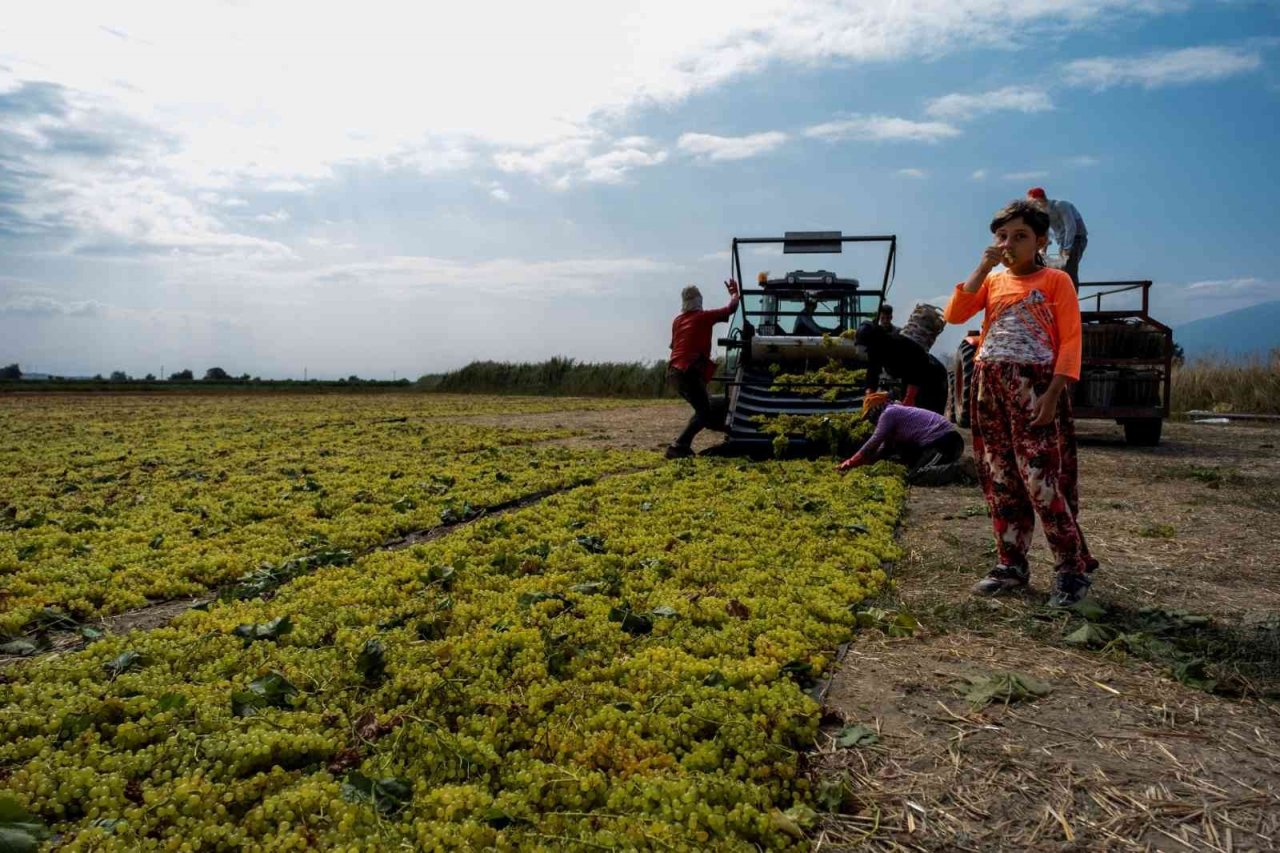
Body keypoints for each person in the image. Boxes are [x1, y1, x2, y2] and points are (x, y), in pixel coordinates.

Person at [944, 198, 1097, 607]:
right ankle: (1011, 564)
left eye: (1020, 236)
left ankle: (1071, 569)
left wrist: (1053, 393)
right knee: (1001, 478)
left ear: (1042, 241)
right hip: (989, 387)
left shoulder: (1055, 282)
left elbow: (1070, 341)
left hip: (1036, 387)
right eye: (1002, 236)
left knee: (1041, 481)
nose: (1009, 243)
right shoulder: (993, 283)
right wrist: (981, 267)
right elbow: (955, 315)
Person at [665, 278, 740, 458]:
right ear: (699, 302)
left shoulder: (677, 320)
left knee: (703, 409)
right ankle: (678, 446)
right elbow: (731, 308)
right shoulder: (703, 317)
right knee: (704, 412)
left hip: (673, 373)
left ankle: (683, 445)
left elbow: (673, 346)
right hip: (688, 371)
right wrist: (734, 293)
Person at [836, 391, 968, 483]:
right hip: (936, 441)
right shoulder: (894, 412)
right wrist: (868, 463)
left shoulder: (889, 413)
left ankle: (961, 470)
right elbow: (884, 446)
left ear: (876, 409)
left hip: (945, 442)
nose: (870, 420)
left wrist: (852, 461)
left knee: (917, 476)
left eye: (869, 415)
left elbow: (875, 440)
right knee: (906, 464)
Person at [854, 322, 949, 415]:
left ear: (875, 342)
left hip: (931, 377)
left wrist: (909, 398)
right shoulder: (875, 351)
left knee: (926, 416)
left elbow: (915, 373)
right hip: (911, 380)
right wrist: (869, 394)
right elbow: (872, 372)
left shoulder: (898, 346)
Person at [1026, 187, 1087, 289]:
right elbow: (1046, 232)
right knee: (1062, 270)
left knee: (1069, 268)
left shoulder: (1060, 205)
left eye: (1032, 203)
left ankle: (1071, 300)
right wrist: (1043, 250)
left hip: (1076, 238)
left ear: (1038, 199)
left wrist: (1067, 248)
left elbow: (1071, 227)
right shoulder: (1043, 213)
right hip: (1063, 242)